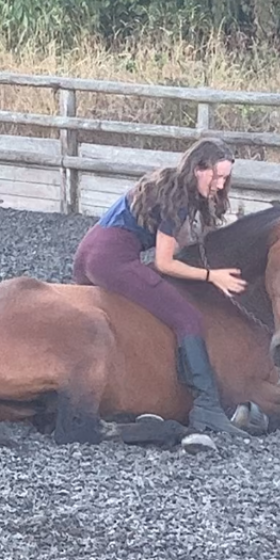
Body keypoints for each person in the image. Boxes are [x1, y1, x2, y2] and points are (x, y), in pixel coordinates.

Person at [72, 137, 249, 437]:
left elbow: (177, 243)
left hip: (88, 252)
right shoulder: (178, 201)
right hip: (112, 259)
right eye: (217, 176)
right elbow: (165, 262)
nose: (220, 185)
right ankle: (207, 407)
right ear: (198, 168)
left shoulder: (168, 185)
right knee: (187, 318)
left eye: (225, 179)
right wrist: (212, 276)